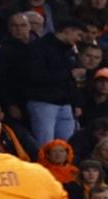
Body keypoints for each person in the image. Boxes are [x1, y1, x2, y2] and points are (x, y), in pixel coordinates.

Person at [24, 19, 87, 147]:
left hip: (65, 104)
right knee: (45, 144)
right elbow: (35, 75)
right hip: (43, 102)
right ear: (68, 30)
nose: (79, 39)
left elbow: (73, 81)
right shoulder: (40, 47)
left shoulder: (70, 50)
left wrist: (76, 103)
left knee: (67, 145)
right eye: (78, 34)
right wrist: (69, 74)